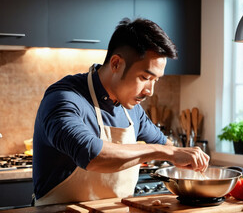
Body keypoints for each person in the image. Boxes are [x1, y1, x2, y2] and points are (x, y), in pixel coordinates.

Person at [32, 18, 209, 206]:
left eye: (155, 80)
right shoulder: (64, 99)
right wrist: (163, 152)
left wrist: (185, 158)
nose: (150, 91)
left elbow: (167, 147)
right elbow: (92, 155)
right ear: (116, 64)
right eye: (145, 77)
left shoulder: (133, 110)